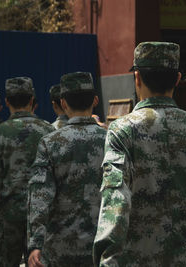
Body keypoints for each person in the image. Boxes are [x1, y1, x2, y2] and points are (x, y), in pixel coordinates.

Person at [92, 42, 186, 266]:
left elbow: (115, 201)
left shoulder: (122, 131)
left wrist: (107, 257)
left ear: (137, 78)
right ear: (178, 80)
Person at [28, 72, 107, 267]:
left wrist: (35, 243)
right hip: (104, 245)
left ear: (63, 104)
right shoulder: (113, 140)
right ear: (95, 100)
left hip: (61, 247)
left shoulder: (50, 142)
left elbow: (40, 196)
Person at [0, 77, 55, 266]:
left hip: (7, 215)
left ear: (6, 102)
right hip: (42, 215)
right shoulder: (50, 132)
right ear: (32, 101)